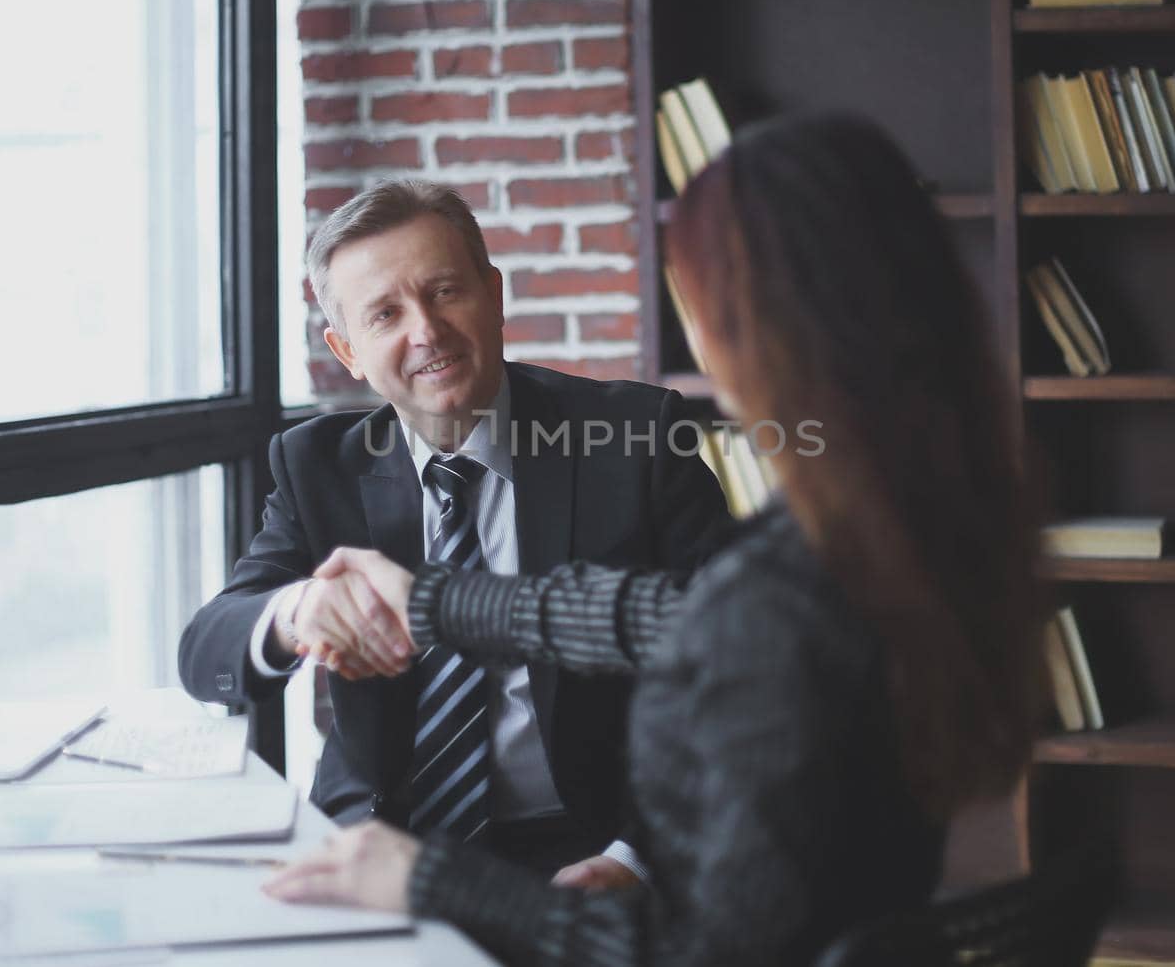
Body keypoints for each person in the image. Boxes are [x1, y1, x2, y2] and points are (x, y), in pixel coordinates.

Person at [261, 114, 1048, 966]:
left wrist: (433, 882)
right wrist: (439, 599)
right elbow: (676, 615)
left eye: (697, 296)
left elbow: (688, 948)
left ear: (763, 328)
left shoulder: (791, 577)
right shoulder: (916, 517)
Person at [177, 180, 731, 886]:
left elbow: (737, 664)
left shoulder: (637, 438)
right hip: (386, 841)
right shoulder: (318, 465)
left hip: (593, 839)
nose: (426, 331)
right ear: (347, 349)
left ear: (493, 294)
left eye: (444, 291)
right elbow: (204, 651)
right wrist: (293, 612)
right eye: (384, 314)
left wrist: (637, 860)